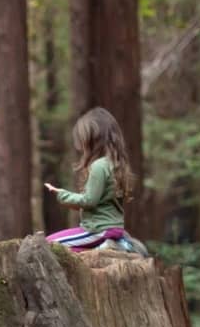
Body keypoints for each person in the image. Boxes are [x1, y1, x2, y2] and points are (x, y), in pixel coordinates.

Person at [43, 107, 142, 254]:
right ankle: (113, 246)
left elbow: (89, 201)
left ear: (93, 140)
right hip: (113, 228)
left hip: (98, 229)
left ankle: (116, 245)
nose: (81, 146)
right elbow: (98, 203)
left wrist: (62, 194)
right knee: (71, 251)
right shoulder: (114, 164)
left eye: (83, 140)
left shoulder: (99, 166)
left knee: (45, 244)